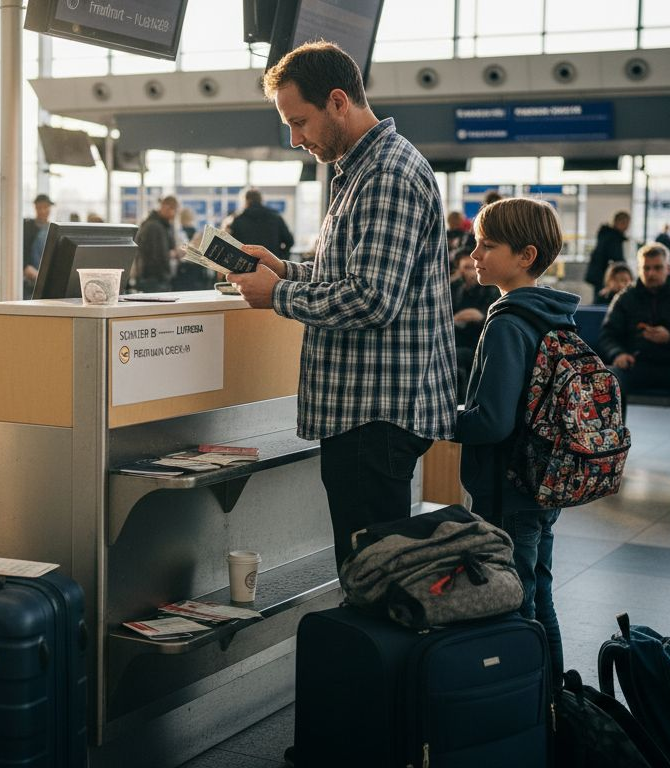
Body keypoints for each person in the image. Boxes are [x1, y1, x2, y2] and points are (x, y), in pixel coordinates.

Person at [228, 41, 456, 569]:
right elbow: (352, 278)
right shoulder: (363, 170)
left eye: (300, 121)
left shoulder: (386, 175)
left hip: (374, 415)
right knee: (370, 568)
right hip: (368, 411)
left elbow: (373, 299)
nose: (295, 138)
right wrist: (286, 271)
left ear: (337, 101)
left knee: (371, 576)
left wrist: (277, 295)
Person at [454, 197, 576, 687]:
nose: (474, 253)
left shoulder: (507, 321)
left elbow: (493, 422)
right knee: (538, 595)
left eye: (487, 244)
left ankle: (522, 705)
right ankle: (553, 703)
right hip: (543, 480)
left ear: (525, 255)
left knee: (512, 600)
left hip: (508, 486)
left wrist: (440, 419)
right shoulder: (555, 313)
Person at [599, 243, 670, 478]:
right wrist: (618, 353)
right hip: (636, 364)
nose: (651, 273)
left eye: (657, 268)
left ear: (668, 268)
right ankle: (611, 453)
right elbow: (608, 334)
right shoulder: (626, 298)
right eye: (646, 268)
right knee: (610, 382)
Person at [449, 247, 500, 401]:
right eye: (465, 268)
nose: (471, 272)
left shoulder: (491, 290)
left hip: (478, 347)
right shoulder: (456, 289)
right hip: (456, 343)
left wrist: (479, 317)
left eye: (473, 267)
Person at [228, 188, 295, 261]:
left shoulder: (236, 220)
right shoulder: (276, 217)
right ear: (261, 200)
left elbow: (230, 246)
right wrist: (282, 258)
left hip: (246, 267)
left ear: (245, 200)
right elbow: (290, 241)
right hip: (272, 265)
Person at [133, 195, 178, 293]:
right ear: (166, 207)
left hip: (152, 278)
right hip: (154, 279)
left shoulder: (158, 224)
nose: (174, 215)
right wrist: (174, 254)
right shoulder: (155, 227)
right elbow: (159, 255)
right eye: (174, 210)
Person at [583, 211, 630, 300]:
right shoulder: (614, 237)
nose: (627, 227)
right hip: (604, 275)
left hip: (599, 274)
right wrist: (626, 269)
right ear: (619, 222)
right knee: (603, 298)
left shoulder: (606, 234)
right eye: (626, 224)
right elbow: (617, 259)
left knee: (599, 297)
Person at [22, 194, 54, 299]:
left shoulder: (53, 228)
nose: (43, 211)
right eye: (40, 207)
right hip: (30, 279)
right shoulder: (27, 227)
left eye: (46, 207)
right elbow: (23, 252)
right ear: (35, 208)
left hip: (48, 277)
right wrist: (26, 267)